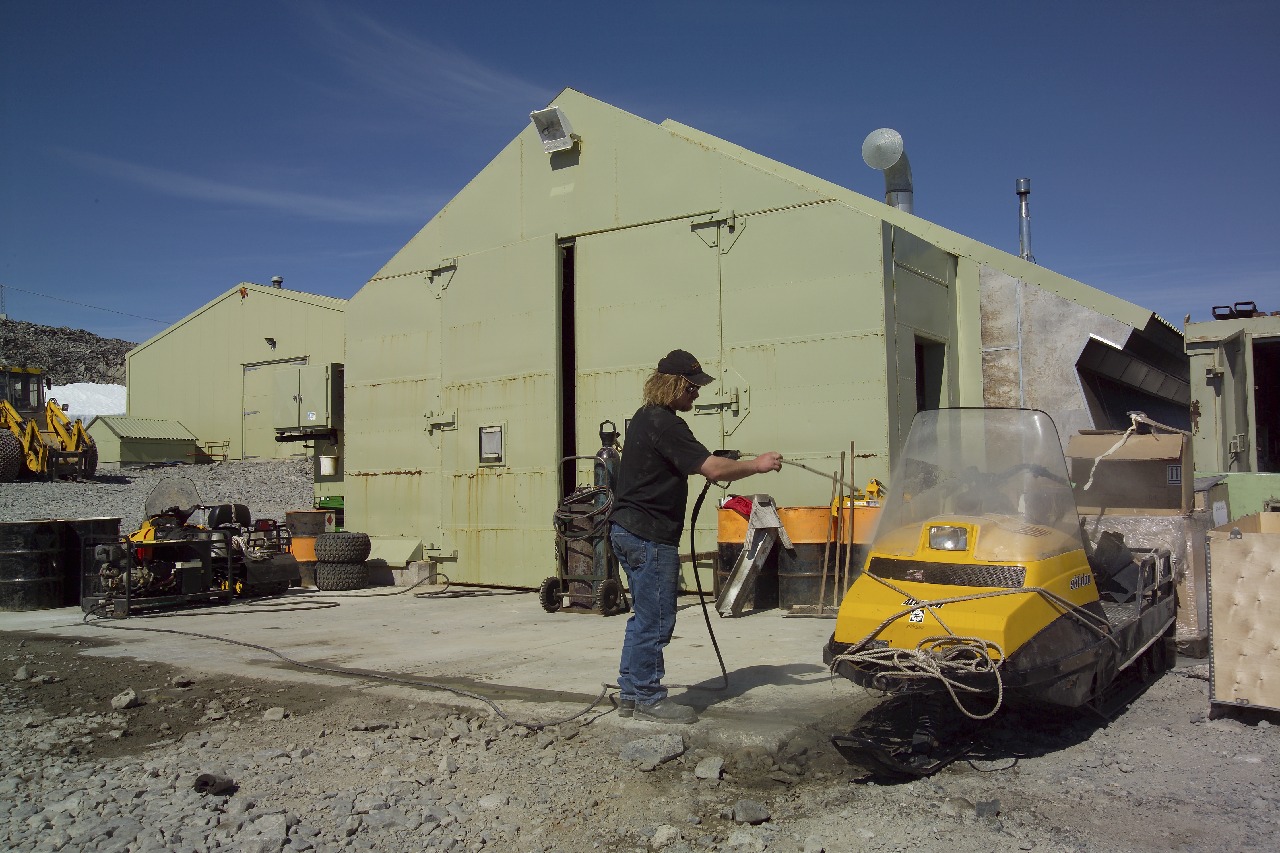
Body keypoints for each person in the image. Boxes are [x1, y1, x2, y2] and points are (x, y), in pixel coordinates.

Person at [609, 349, 783, 724]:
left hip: (628, 530)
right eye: (692, 388)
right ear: (673, 385)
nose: (697, 395)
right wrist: (757, 464)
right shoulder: (666, 424)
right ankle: (647, 697)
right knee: (657, 620)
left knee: (644, 618)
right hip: (649, 535)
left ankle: (630, 692)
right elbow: (714, 470)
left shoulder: (644, 418)